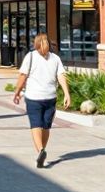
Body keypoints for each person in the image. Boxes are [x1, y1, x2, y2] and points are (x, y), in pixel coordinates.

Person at [12, 33, 71, 168]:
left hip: (33, 97)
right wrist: (67, 93)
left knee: (35, 125)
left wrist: (17, 92)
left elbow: (23, 75)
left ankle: (40, 151)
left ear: (36, 44)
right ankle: (42, 151)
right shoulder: (55, 58)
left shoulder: (30, 56)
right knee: (45, 126)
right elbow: (61, 75)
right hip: (50, 97)